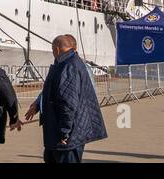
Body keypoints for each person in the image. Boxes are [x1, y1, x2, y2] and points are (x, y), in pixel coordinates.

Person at [23, 34, 106, 163]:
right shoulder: (63, 64)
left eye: (52, 50)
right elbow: (54, 90)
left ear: (57, 49)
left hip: (68, 135)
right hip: (58, 130)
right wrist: (39, 103)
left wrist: (64, 132)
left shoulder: (70, 66)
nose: (52, 53)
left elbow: (69, 102)